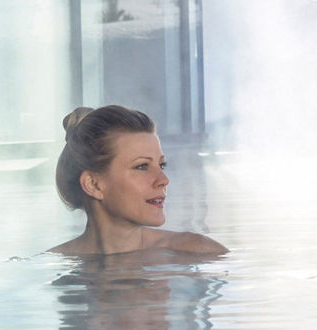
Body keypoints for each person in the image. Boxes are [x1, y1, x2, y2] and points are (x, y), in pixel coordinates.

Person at [48, 105, 227, 255]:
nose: (163, 180)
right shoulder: (53, 266)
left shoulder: (196, 254)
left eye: (161, 165)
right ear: (93, 184)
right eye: (142, 166)